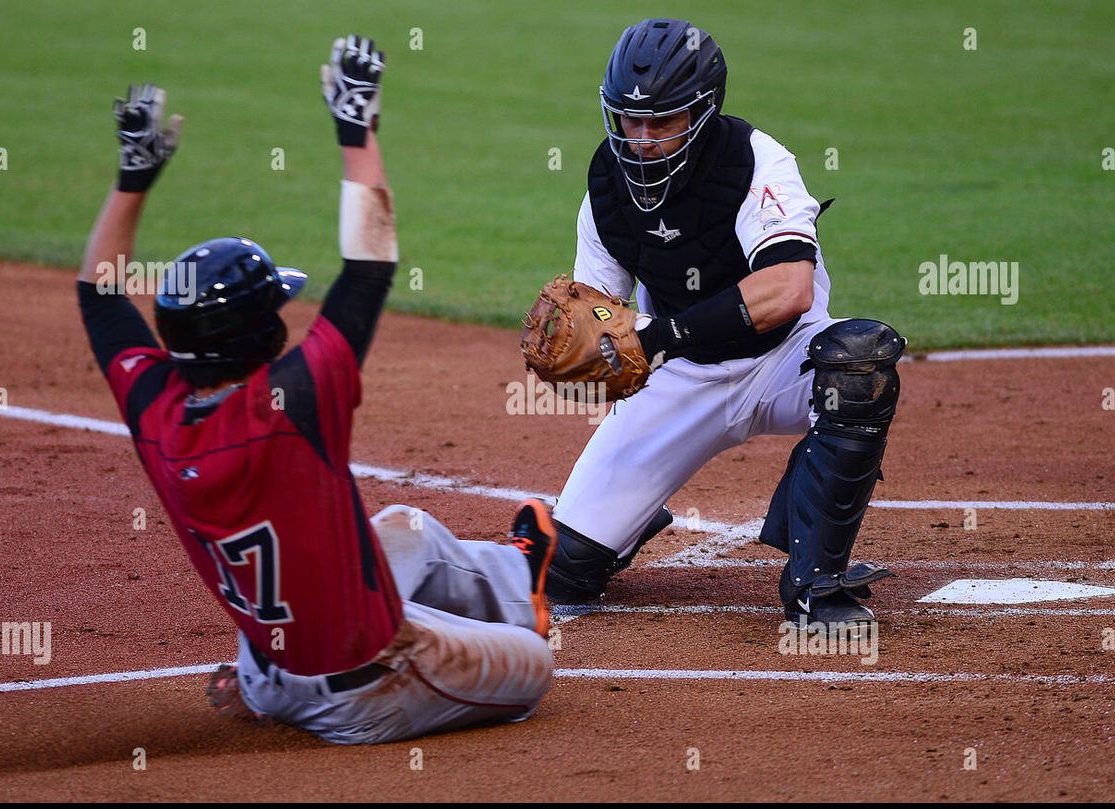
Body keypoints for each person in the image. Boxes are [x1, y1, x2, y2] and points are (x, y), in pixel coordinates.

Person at [76, 34, 554, 744]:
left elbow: (99, 296)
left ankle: (515, 579)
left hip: (269, 669)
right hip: (367, 689)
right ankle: (516, 614)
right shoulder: (293, 404)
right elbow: (369, 268)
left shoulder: (156, 408)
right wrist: (355, 128)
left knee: (404, 529)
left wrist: (131, 179)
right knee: (536, 668)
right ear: (260, 339)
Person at [545, 18, 905, 628]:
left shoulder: (756, 162)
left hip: (785, 359)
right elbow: (605, 312)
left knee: (857, 362)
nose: (641, 139)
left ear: (705, 111)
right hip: (682, 380)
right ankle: (632, 516)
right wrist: (594, 349)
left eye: (662, 121)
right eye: (629, 121)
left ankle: (817, 585)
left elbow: (787, 290)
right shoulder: (605, 187)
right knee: (565, 573)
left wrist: (665, 336)